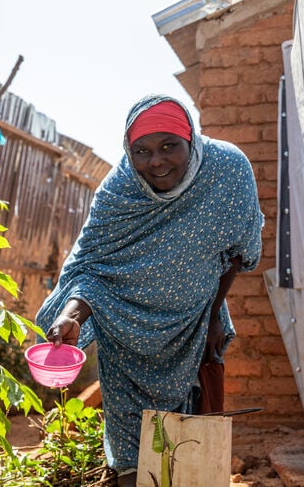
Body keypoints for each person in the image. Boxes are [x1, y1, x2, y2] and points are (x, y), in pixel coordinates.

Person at [35, 94, 263, 485]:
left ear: (190, 139)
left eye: (168, 146)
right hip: (125, 335)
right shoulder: (119, 191)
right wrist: (71, 316)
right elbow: (92, 270)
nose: (156, 161)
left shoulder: (227, 170)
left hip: (193, 327)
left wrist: (212, 316)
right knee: (131, 447)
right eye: (142, 151)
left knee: (190, 437)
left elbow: (238, 252)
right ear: (128, 151)